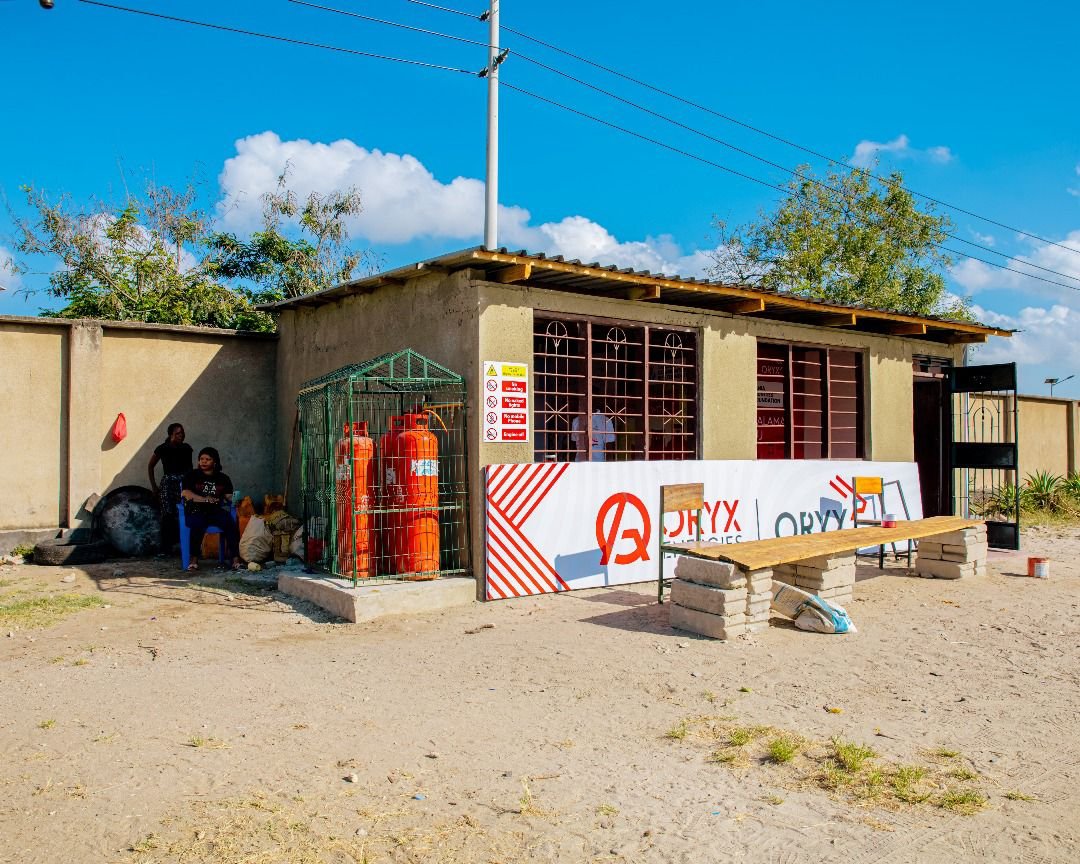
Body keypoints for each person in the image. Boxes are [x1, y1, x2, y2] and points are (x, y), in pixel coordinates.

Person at [181, 447, 240, 571]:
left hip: (215, 511)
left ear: (215, 462)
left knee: (230, 523)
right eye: (201, 459)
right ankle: (194, 560)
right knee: (197, 523)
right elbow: (186, 493)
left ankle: (235, 560)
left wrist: (235, 498)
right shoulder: (191, 475)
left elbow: (228, 496)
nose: (203, 462)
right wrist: (205, 499)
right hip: (195, 509)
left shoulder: (223, 478)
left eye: (208, 459)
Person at [148, 423, 193, 555]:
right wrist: (154, 487)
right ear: (171, 435)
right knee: (167, 514)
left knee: (185, 512)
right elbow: (150, 466)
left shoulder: (186, 448)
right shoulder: (162, 448)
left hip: (183, 484)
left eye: (182, 432)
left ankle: (186, 545)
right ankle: (166, 548)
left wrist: (190, 487)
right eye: (178, 433)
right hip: (168, 484)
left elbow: (190, 470)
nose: (181, 435)